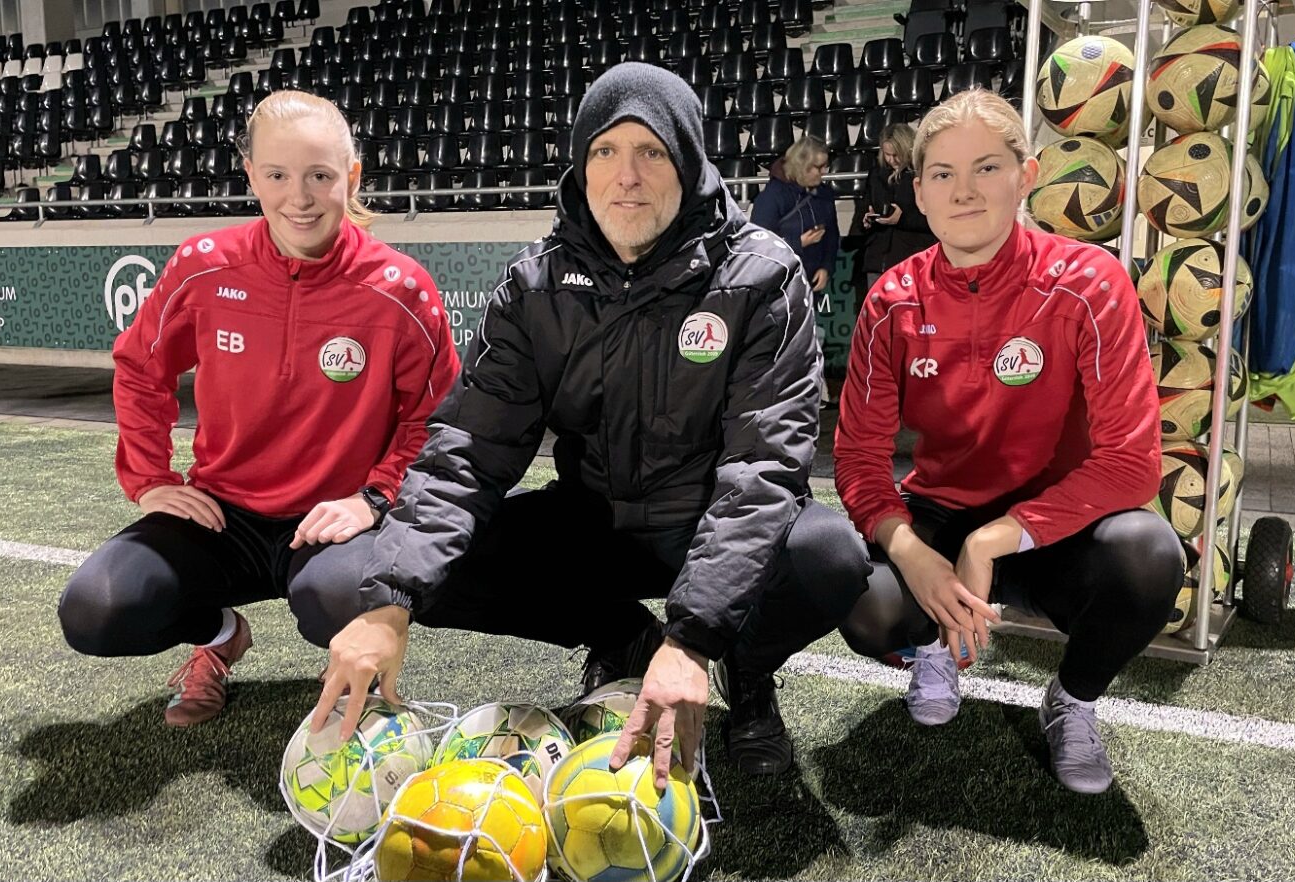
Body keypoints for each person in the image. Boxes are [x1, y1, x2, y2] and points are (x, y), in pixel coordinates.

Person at [299, 63, 871, 783]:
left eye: (650, 153)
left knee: (829, 557)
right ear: (581, 165)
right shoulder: (536, 283)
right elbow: (470, 452)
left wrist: (693, 641)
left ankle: (747, 676)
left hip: (706, 517)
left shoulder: (761, 274)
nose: (625, 176)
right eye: (605, 152)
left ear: (688, 162)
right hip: (592, 522)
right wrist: (391, 601)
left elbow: (762, 470)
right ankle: (624, 637)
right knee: (353, 579)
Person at [57, 90, 460, 727]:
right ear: (251, 175)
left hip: (335, 519)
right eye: (277, 175)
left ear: (350, 176)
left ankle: (349, 684)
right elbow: (141, 367)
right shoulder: (203, 267)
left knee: (335, 596)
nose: (298, 197)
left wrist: (375, 498)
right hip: (225, 515)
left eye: (320, 176)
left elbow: (435, 418)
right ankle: (218, 638)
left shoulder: (400, 289)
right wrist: (151, 480)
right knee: (97, 609)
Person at [832, 89, 1183, 794]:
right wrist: (915, 555)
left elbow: (1131, 463)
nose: (963, 192)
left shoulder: (1090, 282)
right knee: (859, 594)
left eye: (986, 168)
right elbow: (860, 457)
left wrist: (993, 539)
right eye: (942, 175)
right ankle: (932, 651)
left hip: (1058, 523)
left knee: (1150, 559)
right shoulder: (892, 299)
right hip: (940, 508)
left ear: (1027, 177)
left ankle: (1072, 701)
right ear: (920, 194)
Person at [750, 137, 839, 405]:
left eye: (824, 167)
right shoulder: (771, 197)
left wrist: (826, 266)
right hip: (780, 281)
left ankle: (812, 391)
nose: (823, 173)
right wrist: (797, 243)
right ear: (801, 166)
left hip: (809, 277)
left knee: (809, 336)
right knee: (783, 339)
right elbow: (759, 242)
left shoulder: (823, 194)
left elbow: (832, 234)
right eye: (817, 167)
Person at [854, 123, 936, 293]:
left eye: (896, 155)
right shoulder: (876, 174)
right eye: (887, 154)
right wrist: (866, 220)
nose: (891, 160)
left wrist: (902, 219)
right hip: (878, 259)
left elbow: (936, 220)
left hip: (912, 257)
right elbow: (865, 206)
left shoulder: (925, 174)